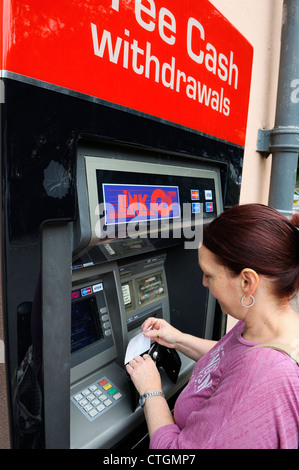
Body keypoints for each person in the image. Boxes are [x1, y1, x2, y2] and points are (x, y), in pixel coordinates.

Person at [126, 203, 299, 449]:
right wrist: (178, 339)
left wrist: (151, 391)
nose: (204, 283)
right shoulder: (267, 327)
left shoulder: (265, 378)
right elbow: (230, 360)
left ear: (247, 281)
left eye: (209, 274)